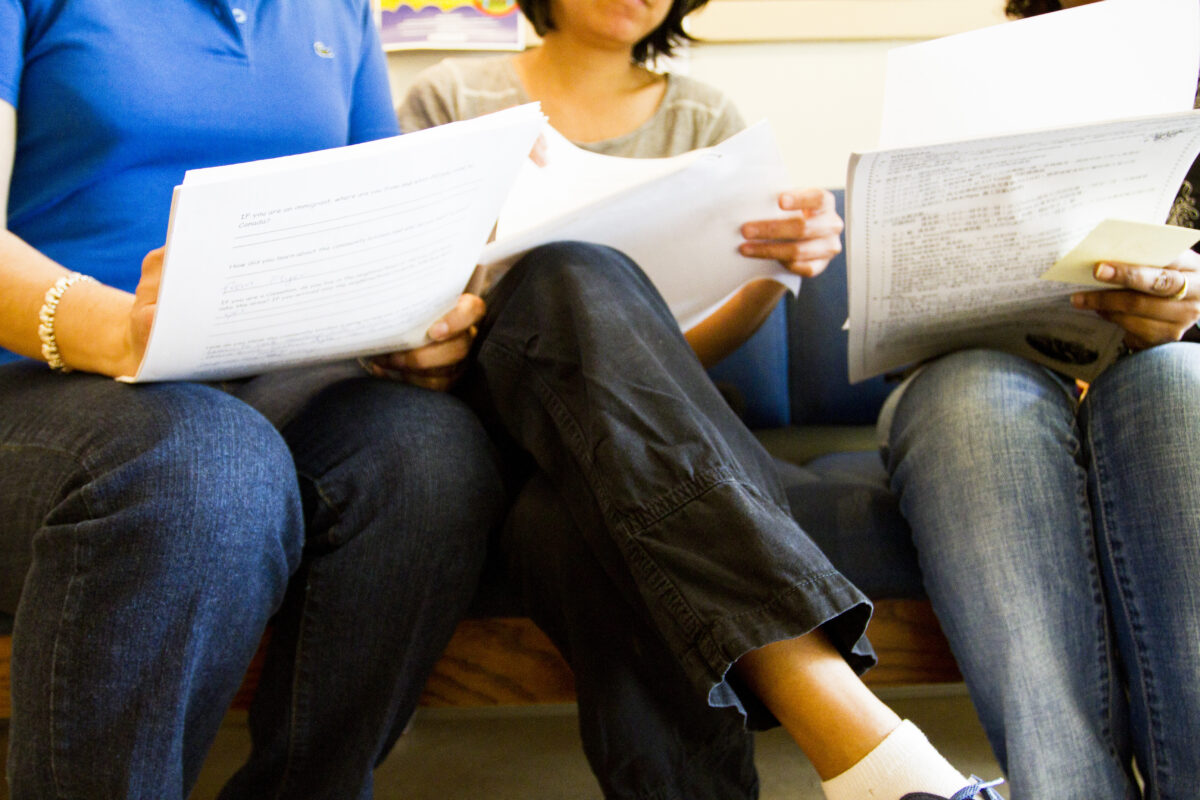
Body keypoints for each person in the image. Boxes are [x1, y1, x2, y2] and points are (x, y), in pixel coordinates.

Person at [394, 2, 1005, 798]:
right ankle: (878, 760)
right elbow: (403, 291)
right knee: (568, 271)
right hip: (491, 412)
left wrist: (776, 271)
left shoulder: (704, 116)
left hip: (631, 432)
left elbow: (685, 352)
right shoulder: (449, 98)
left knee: (570, 520)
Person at [0, 1, 508, 797]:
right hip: (41, 377)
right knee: (203, 462)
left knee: (430, 454)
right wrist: (119, 330)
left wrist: (409, 322)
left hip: (265, 378)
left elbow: (381, 222)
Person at [877, 0, 1200, 797]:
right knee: (971, 404)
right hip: (980, 374)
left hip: (1172, 374)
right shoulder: (974, 83)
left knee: (1176, 384)